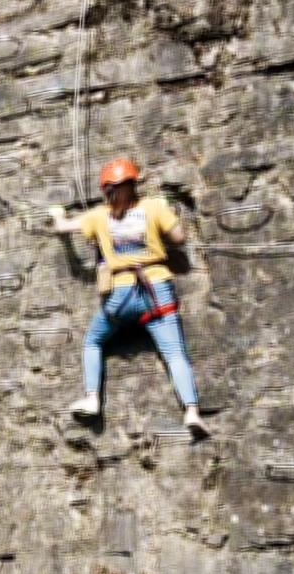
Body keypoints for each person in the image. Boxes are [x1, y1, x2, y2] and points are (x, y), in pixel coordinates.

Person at [49, 158, 207, 437]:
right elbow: (179, 237)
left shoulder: (99, 215)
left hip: (122, 294)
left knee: (93, 341)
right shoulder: (153, 207)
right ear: (134, 184)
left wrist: (58, 214)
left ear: (107, 189)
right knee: (174, 354)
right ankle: (192, 412)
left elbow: (63, 228)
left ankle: (92, 398)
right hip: (157, 288)